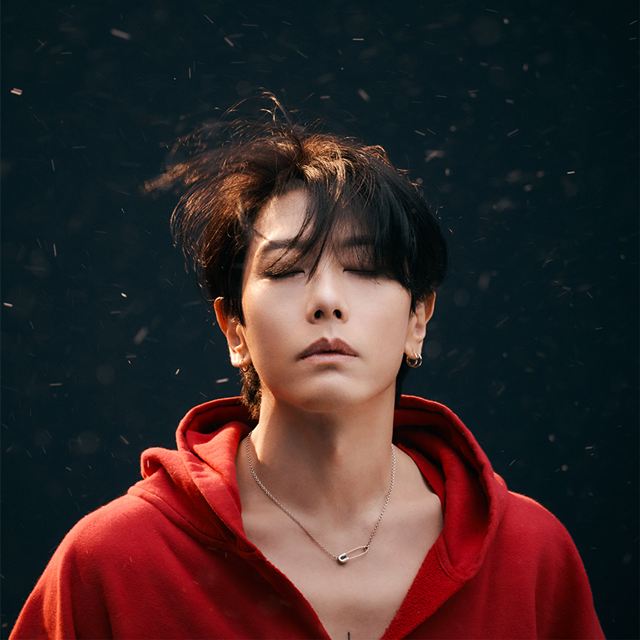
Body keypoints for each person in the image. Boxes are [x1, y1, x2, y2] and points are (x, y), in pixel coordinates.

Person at [11, 104, 605, 639]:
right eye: (287, 269)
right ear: (234, 328)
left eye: (366, 268)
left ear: (418, 319)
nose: (326, 301)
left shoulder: (528, 555)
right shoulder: (116, 560)